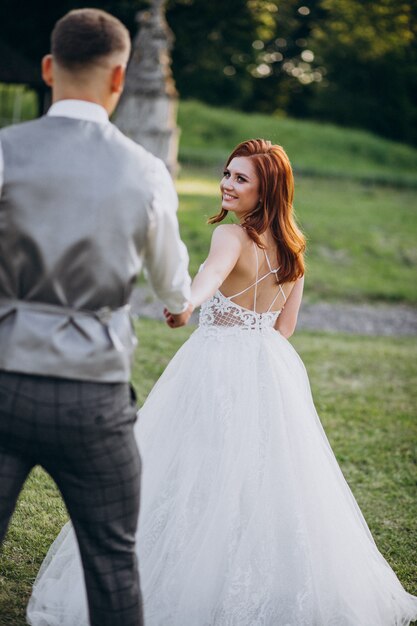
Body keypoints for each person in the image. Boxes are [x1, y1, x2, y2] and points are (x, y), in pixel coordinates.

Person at [27, 140, 417, 625]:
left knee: (194, 463)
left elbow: (211, 276)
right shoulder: (295, 246)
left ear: (266, 190)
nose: (227, 185)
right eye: (227, 174)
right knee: (265, 472)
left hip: (216, 362)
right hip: (270, 366)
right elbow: (286, 327)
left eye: (240, 179)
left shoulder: (231, 238)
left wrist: (187, 304)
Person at [0, 8, 193, 626]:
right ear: (119, 80)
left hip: (3, 381)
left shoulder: (4, 153)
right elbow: (172, 284)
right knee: (113, 563)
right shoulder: (146, 172)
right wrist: (177, 306)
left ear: (49, 69)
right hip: (95, 400)